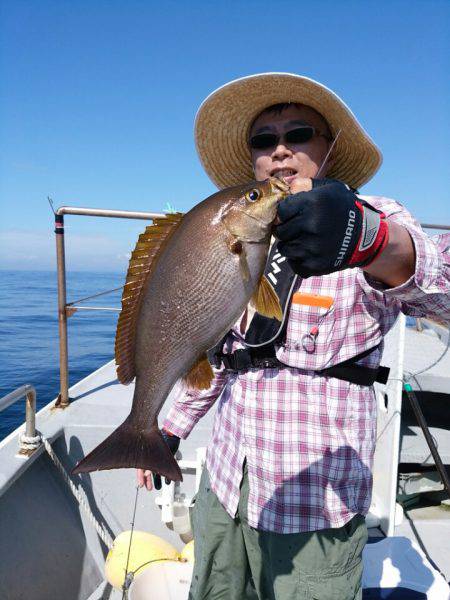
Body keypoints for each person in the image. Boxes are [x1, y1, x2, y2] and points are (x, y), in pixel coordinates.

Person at [137, 73, 450, 599]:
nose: (280, 150)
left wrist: (371, 242)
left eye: (299, 134)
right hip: (226, 484)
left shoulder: (374, 217)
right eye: (264, 140)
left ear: (329, 150)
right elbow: (222, 352)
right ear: (254, 160)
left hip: (314, 506)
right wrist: (166, 429)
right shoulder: (232, 230)